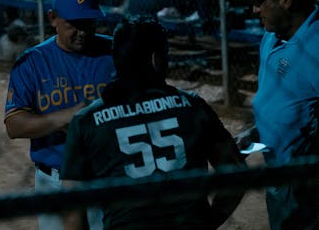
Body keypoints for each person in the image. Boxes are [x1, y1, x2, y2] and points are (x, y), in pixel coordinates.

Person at [61, 17, 246, 229]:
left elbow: (72, 210)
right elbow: (235, 171)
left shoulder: (86, 120)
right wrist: (209, 221)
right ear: (155, 59)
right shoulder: (192, 106)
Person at [4, 0, 115, 230]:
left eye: (88, 22)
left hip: (107, 177)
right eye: (73, 24)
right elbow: (14, 124)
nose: (83, 31)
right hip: (54, 178)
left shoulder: (114, 53)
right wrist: (65, 118)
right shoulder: (32, 61)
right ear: (52, 18)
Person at [240, 0, 319, 229]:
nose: (254, 9)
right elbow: (283, 101)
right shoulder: (272, 36)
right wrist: (255, 131)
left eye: (261, 1)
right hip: (279, 175)